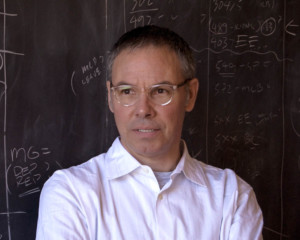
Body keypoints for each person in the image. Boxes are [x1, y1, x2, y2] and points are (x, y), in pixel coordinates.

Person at [36, 25, 263, 239]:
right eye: (127, 92)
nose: (143, 109)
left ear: (190, 95)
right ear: (110, 97)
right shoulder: (71, 193)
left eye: (161, 91)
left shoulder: (231, 197)